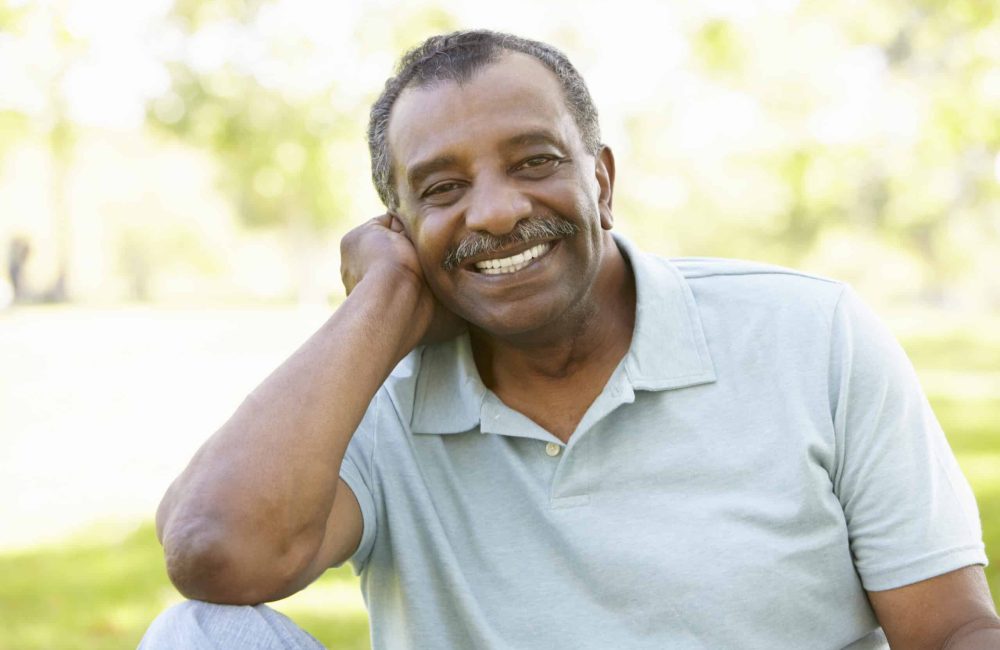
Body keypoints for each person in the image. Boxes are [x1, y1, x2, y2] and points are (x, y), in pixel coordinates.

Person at [141, 30, 1000, 649]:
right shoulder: (371, 393)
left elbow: (953, 628)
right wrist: (380, 303)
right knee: (198, 635)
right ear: (397, 226)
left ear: (602, 178)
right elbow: (215, 557)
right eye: (443, 189)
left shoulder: (812, 335)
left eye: (534, 162)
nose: (497, 210)